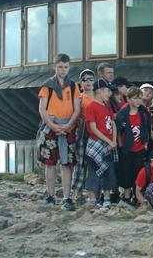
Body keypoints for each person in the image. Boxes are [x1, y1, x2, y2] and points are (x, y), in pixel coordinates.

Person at [37, 53, 81, 210]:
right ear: (54, 67)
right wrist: (52, 125)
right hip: (51, 126)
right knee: (50, 163)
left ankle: (67, 197)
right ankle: (50, 195)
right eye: (60, 67)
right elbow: (42, 108)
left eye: (66, 67)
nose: (63, 70)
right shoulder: (47, 86)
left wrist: (69, 125)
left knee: (67, 164)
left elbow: (77, 109)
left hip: (68, 127)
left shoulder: (73, 86)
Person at [85, 79, 117, 211]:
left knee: (109, 171)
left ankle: (106, 198)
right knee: (94, 171)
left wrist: (113, 140)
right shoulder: (91, 106)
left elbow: (112, 123)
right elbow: (93, 128)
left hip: (109, 143)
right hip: (97, 143)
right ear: (99, 91)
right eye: (107, 91)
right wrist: (109, 141)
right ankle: (92, 199)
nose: (110, 94)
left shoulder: (107, 106)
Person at [115, 86, 150, 204]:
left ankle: (137, 196)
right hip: (127, 148)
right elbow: (118, 131)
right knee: (126, 173)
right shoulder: (122, 114)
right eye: (135, 98)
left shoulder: (143, 112)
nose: (138, 101)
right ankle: (126, 196)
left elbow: (147, 128)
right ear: (128, 99)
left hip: (140, 148)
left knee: (138, 173)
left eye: (139, 98)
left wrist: (145, 143)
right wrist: (121, 146)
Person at [72, 68, 95, 204]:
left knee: (94, 163)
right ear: (80, 83)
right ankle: (78, 192)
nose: (88, 82)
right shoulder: (78, 98)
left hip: (95, 133)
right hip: (82, 132)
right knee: (80, 162)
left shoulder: (98, 97)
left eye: (90, 79)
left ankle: (93, 192)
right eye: (84, 79)